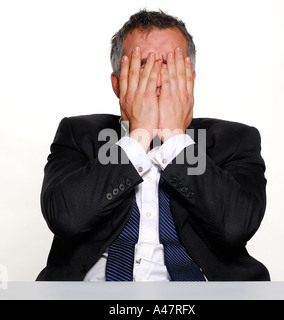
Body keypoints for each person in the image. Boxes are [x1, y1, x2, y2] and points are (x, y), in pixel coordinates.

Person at [37, 9, 270, 281]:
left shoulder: (234, 139)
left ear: (190, 80)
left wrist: (175, 139)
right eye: (143, 65)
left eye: (171, 65)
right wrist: (138, 137)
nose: (157, 79)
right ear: (117, 84)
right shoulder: (79, 133)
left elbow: (236, 226)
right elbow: (66, 218)